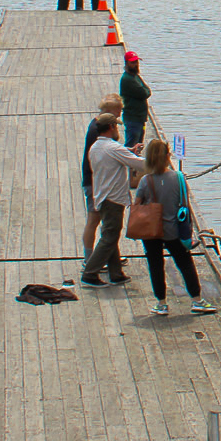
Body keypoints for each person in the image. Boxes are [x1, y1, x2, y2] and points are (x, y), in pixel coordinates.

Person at [132, 139, 217, 316]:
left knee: (155, 265)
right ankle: (196, 300)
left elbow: (137, 204)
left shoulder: (146, 181)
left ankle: (161, 303)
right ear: (167, 156)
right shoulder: (178, 178)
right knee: (185, 263)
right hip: (174, 231)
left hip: (151, 231)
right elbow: (185, 204)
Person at [81, 114, 146, 286]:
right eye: (116, 126)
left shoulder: (95, 147)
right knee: (109, 237)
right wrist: (159, 159)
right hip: (113, 200)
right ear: (110, 127)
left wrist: (128, 152)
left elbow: (116, 157)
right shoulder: (113, 147)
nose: (118, 129)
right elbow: (140, 165)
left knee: (110, 234)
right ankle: (90, 273)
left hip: (101, 197)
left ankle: (116, 273)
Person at [82, 98, 121, 258]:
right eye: (118, 110)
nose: (120, 114)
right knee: (93, 220)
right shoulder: (96, 132)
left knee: (107, 223)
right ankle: (89, 258)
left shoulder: (96, 125)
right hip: (94, 182)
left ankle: (110, 257)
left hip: (99, 181)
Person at [119, 51, 151, 148]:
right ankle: (128, 161)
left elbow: (148, 90)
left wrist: (145, 90)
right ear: (126, 63)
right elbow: (145, 93)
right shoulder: (128, 79)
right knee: (131, 144)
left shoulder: (135, 76)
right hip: (133, 118)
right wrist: (145, 90)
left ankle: (135, 160)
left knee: (139, 144)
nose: (135, 64)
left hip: (140, 118)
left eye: (136, 62)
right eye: (132, 62)